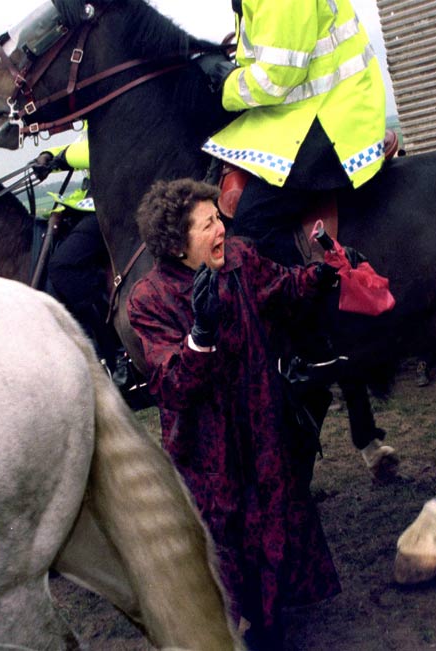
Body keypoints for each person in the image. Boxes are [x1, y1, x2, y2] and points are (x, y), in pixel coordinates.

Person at [127, 179, 341, 649]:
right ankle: (237, 622)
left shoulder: (241, 258)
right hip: (208, 448)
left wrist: (321, 275)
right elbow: (171, 386)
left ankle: (268, 625)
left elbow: (281, 287)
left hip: (261, 423)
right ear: (178, 243)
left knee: (272, 517)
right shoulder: (150, 299)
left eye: (219, 219)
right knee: (228, 537)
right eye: (208, 225)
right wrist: (200, 333)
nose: (221, 229)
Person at [197, 0, 389, 267]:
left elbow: (275, 80)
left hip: (334, 119)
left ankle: (304, 293)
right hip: (306, 109)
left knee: (252, 223)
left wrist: (226, 85)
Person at [32, 132, 121, 366]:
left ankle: (113, 348)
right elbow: (85, 145)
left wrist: (59, 157)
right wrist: (49, 154)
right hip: (93, 202)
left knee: (64, 266)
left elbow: (101, 146)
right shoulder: (90, 119)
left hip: (115, 203)